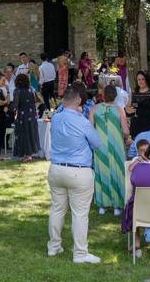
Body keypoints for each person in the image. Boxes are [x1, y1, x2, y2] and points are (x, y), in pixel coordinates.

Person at [47, 86, 102, 264]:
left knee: (57, 209)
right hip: (78, 170)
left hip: (56, 168)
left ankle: (54, 246)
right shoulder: (82, 121)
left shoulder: (56, 118)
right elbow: (97, 143)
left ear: (63, 100)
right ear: (79, 100)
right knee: (79, 214)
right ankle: (80, 253)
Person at [90, 84, 129, 215]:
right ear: (115, 96)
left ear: (103, 95)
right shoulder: (119, 110)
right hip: (116, 145)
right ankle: (117, 206)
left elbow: (89, 129)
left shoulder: (94, 108)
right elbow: (126, 130)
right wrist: (124, 137)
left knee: (102, 171)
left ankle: (102, 205)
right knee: (117, 171)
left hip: (100, 144)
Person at [127, 70, 150, 139]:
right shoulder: (134, 93)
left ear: (147, 79)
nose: (140, 81)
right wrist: (128, 110)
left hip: (149, 128)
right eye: (139, 79)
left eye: (143, 79)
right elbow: (127, 109)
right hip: (135, 128)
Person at [13, 74, 40, 162]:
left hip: (22, 116)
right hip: (32, 115)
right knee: (31, 134)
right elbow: (37, 100)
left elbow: (15, 105)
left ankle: (26, 155)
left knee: (23, 135)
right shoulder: (32, 89)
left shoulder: (17, 91)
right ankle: (29, 155)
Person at [37, 53, 56, 117]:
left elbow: (41, 78)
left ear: (41, 59)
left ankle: (48, 113)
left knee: (46, 98)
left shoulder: (41, 67)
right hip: (52, 82)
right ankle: (55, 110)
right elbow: (54, 74)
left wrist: (40, 84)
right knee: (52, 97)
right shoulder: (51, 65)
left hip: (45, 84)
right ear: (47, 58)